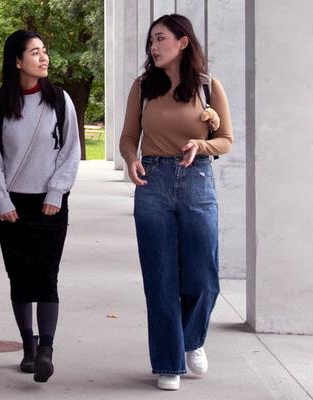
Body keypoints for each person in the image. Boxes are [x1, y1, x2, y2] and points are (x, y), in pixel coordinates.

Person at [119, 14, 232, 391]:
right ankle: (169, 361)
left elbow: (226, 140)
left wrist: (201, 144)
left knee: (203, 276)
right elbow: (128, 135)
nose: (153, 46)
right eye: (151, 40)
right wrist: (130, 159)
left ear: (183, 42)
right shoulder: (143, 86)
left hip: (197, 180)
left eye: (161, 38)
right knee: (160, 279)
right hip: (152, 182)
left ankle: (192, 340)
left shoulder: (208, 86)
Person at [0, 29, 81, 384]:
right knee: (19, 278)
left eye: (44, 51)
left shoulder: (59, 100)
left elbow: (71, 151)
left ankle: (46, 350)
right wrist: (2, 200)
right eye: (35, 52)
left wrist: (57, 193)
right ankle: (28, 345)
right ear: (17, 61)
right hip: (12, 207)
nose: (44, 58)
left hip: (51, 205)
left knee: (47, 276)